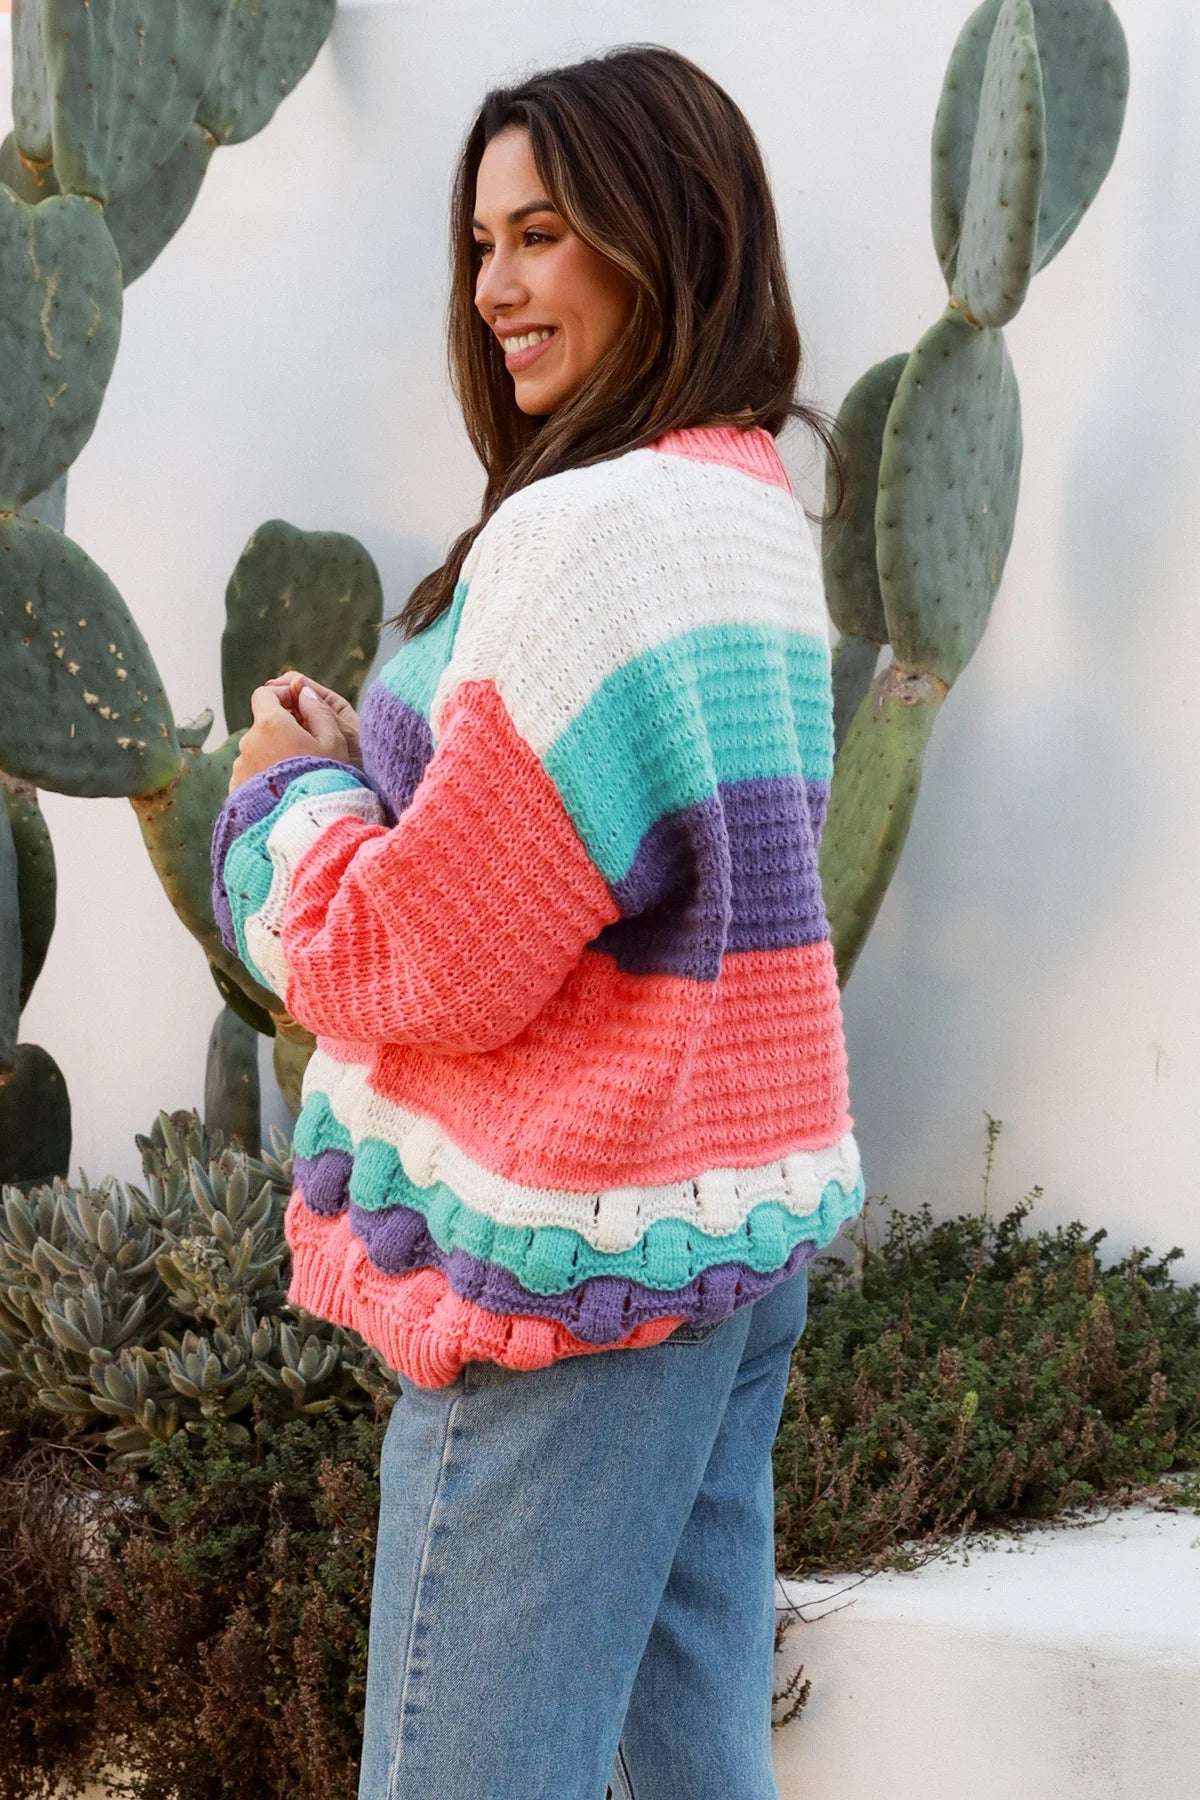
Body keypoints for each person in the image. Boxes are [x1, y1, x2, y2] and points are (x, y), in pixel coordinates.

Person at [210, 42, 866, 1800]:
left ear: (665, 234)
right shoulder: (741, 505)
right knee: (690, 1772)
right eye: (481, 243)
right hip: (720, 1240)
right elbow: (600, 862)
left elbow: (423, 956)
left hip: (570, 1271)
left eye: (545, 234)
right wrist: (383, 769)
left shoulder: (586, 534)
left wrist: (285, 800)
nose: (496, 286)